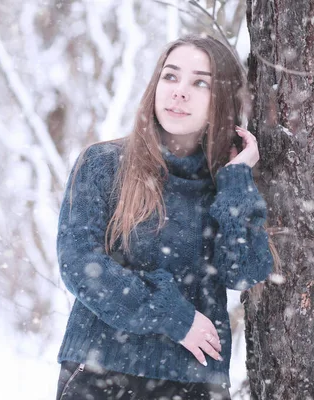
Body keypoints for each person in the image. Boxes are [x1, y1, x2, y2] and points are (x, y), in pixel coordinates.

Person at [55, 34, 275, 400]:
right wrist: (172, 315)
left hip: (196, 381)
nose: (179, 92)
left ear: (223, 99)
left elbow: (245, 271)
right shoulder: (103, 164)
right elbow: (79, 263)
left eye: (199, 82)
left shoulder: (225, 182)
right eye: (170, 76)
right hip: (102, 373)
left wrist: (237, 179)